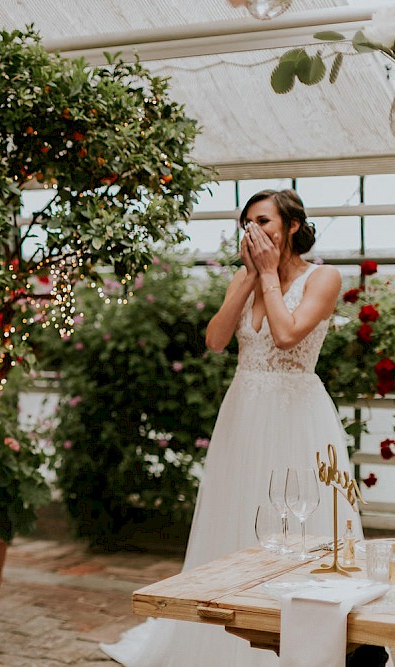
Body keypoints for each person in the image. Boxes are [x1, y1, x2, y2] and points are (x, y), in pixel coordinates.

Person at [101, 189, 366, 667]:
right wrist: (249, 279)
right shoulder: (243, 281)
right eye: (247, 221)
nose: (254, 230)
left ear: (291, 226)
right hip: (244, 412)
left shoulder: (322, 277)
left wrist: (267, 275)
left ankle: (304, 645)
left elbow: (286, 334)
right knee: (239, 515)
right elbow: (216, 340)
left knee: (298, 522)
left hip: (297, 416)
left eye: (264, 220)